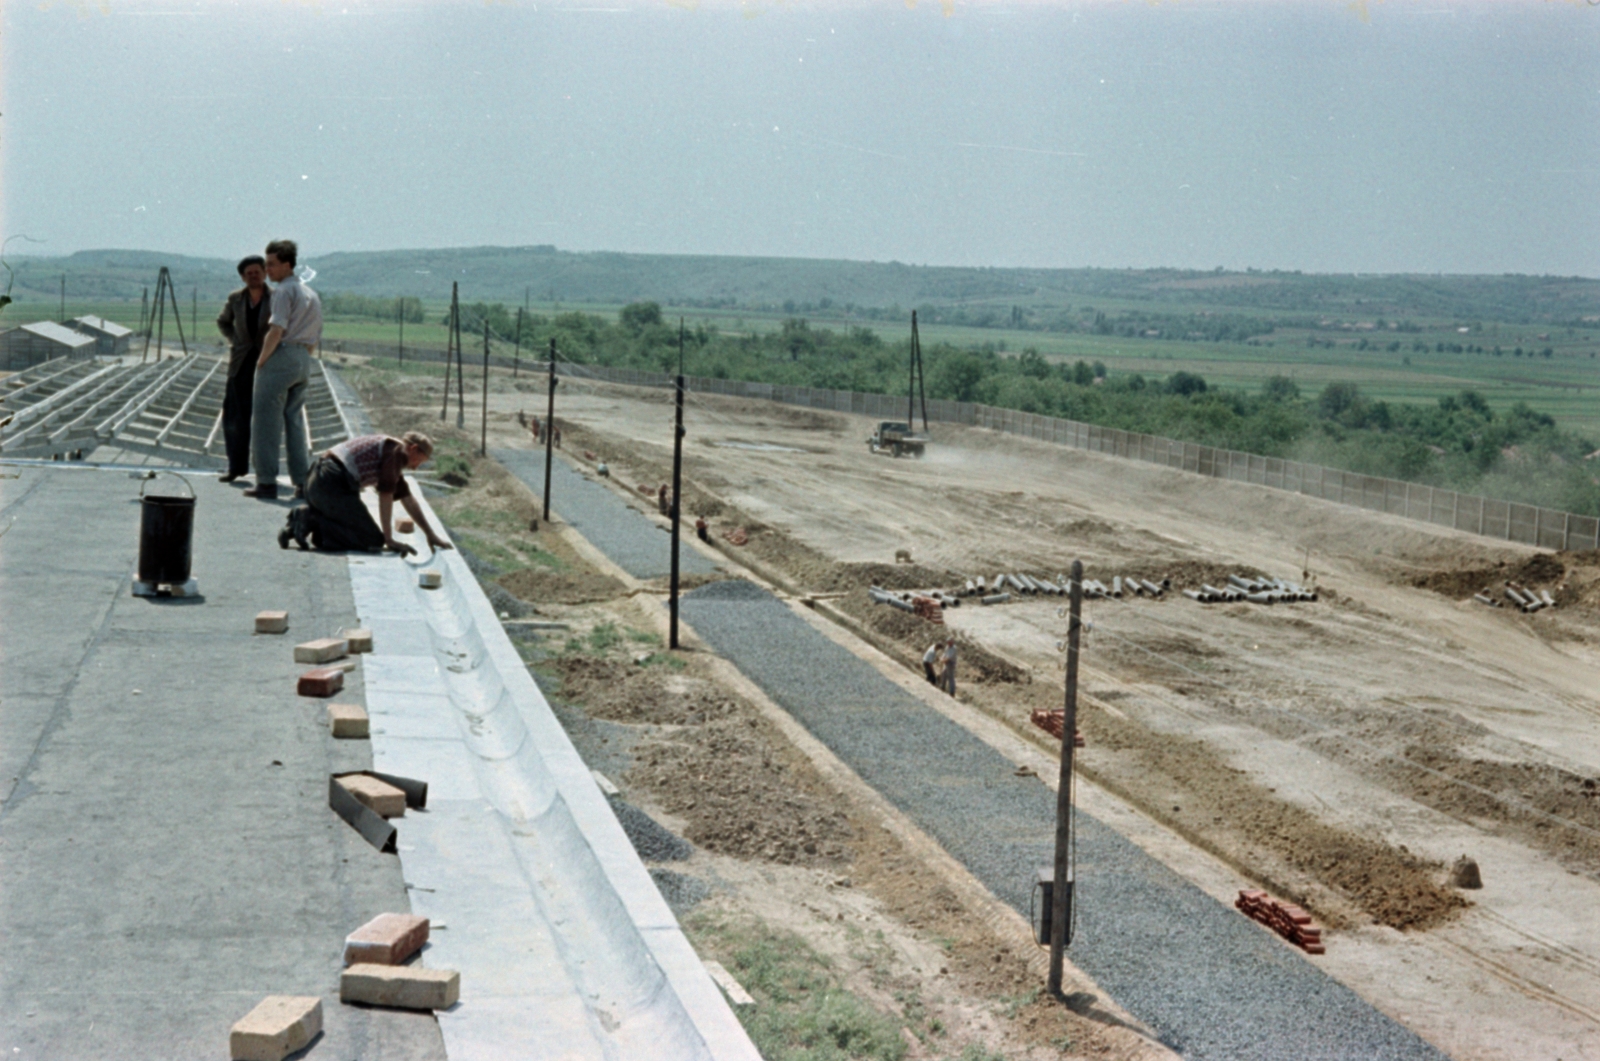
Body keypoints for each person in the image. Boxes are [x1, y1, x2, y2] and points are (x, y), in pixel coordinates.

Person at [281, 431, 452, 555]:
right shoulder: (396, 454)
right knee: (372, 540)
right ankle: (311, 519)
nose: (415, 467)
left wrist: (431, 535)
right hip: (331, 483)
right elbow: (385, 496)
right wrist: (389, 539)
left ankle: (305, 523)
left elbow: (408, 500)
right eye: (419, 461)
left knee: (361, 531)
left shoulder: (391, 451)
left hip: (318, 479)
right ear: (413, 449)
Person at [245, 239, 320, 500]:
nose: (268, 270)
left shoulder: (282, 292)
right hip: (303, 358)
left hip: (282, 355)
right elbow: (314, 337)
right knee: (295, 421)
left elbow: (276, 329)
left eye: (272, 265)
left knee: (265, 421)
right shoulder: (311, 293)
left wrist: (262, 361)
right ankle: (302, 482)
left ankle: (266, 482)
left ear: (287, 265)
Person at [214, 256, 270, 483]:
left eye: (257, 272)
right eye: (248, 273)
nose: (253, 276)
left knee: (265, 418)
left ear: (265, 273)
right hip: (240, 365)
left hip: (267, 363)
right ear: (242, 277)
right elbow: (222, 321)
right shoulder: (236, 299)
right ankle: (236, 467)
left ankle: (266, 472)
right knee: (235, 418)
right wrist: (235, 341)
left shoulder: (276, 298)